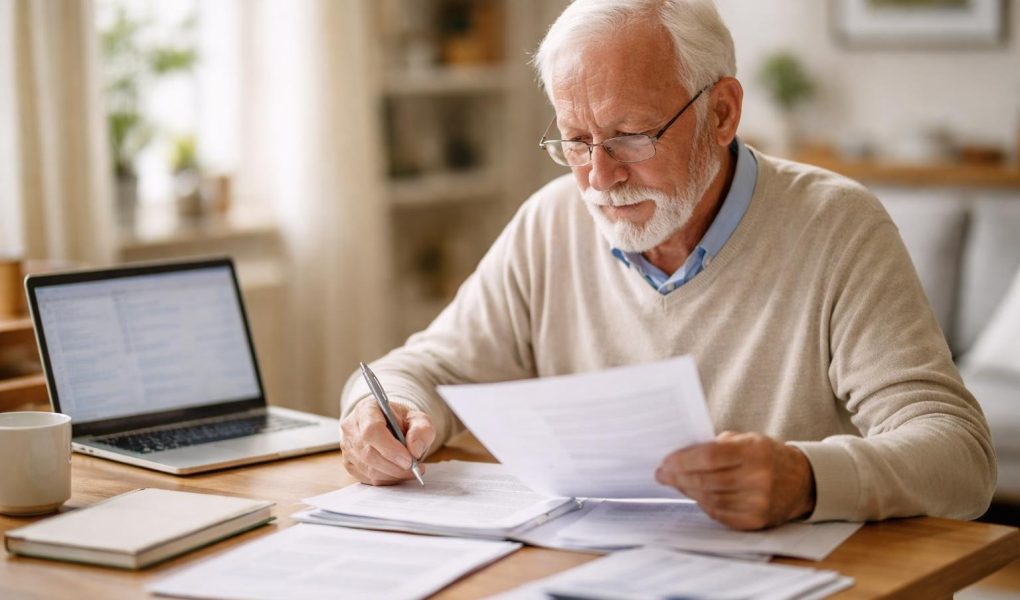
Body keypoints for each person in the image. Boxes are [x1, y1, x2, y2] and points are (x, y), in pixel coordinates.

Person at [339, 0, 995, 530]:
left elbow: (961, 458)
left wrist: (805, 478)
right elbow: (426, 367)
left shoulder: (838, 227)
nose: (599, 176)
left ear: (723, 113)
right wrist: (383, 414)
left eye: (629, 136)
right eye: (575, 140)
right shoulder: (552, 220)